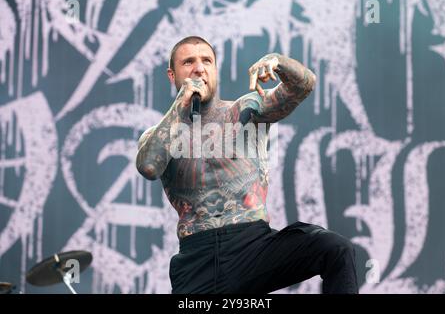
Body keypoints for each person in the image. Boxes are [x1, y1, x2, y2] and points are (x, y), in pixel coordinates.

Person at [136, 36, 358, 294]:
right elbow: (149, 166)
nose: (199, 68)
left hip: (254, 247)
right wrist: (180, 105)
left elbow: (304, 86)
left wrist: (279, 63)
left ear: (215, 70)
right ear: (172, 75)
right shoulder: (160, 134)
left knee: (335, 249)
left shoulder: (246, 110)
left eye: (207, 61)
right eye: (189, 62)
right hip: (197, 258)